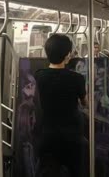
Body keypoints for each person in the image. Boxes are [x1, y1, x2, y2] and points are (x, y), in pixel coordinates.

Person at [34, 34, 88, 177]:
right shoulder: (77, 78)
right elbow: (84, 103)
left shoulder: (39, 76)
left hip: (47, 134)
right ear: (67, 55)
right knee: (76, 170)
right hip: (72, 134)